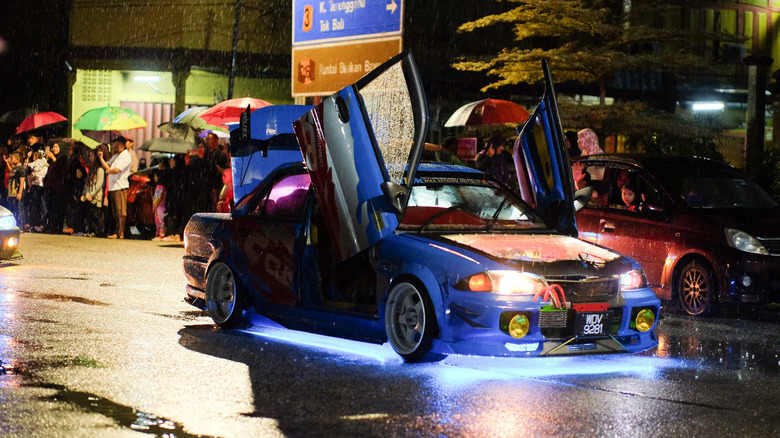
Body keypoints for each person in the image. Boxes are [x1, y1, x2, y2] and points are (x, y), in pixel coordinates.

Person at [99, 136, 132, 239]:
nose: (115, 147)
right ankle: (116, 231)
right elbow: (108, 166)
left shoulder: (125, 156)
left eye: (117, 145)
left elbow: (117, 170)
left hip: (120, 186)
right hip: (113, 186)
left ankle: (121, 232)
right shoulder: (116, 156)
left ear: (123, 145)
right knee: (115, 211)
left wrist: (108, 171)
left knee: (121, 211)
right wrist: (100, 158)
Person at [80, 146, 106, 237]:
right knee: (89, 215)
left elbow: (99, 184)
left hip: (96, 197)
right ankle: (90, 231)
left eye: (92, 156)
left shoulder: (100, 169)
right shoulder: (92, 169)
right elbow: (87, 183)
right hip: (89, 195)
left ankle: (99, 232)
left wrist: (91, 194)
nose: (91, 158)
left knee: (96, 215)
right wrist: (85, 193)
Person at [5, 151, 27, 224]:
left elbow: (22, 181)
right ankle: (14, 224)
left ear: (17, 159)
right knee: (12, 209)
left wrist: (20, 192)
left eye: (12, 158)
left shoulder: (21, 169)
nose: (11, 160)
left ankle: (20, 225)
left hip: (17, 192)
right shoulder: (14, 169)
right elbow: (11, 172)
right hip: (12, 193)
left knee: (19, 209)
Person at [151, 170, 166, 240]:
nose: (155, 178)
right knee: (157, 220)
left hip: (160, 206)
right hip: (157, 206)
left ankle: (161, 234)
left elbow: (159, 197)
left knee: (160, 221)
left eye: (155, 176)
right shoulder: (158, 186)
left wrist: (155, 205)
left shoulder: (161, 187)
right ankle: (157, 234)